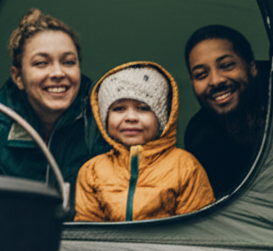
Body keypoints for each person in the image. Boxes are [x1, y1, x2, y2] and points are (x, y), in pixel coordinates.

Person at [0, 9, 109, 190]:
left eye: (68, 62)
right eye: (41, 63)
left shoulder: (102, 122)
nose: (58, 73)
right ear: (18, 77)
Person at [75, 62, 215, 221]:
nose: (131, 118)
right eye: (119, 109)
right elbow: (88, 233)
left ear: (162, 120)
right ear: (104, 119)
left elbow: (198, 229)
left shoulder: (185, 166)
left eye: (143, 108)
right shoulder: (92, 171)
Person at [183, 25, 270, 197]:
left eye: (227, 65)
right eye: (201, 74)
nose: (215, 81)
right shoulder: (200, 138)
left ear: (252, 68)